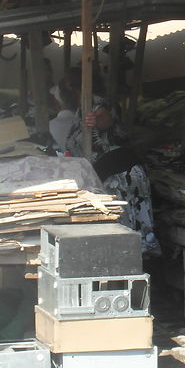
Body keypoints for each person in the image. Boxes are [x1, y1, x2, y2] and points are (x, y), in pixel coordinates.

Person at [58, 67, 160, 256]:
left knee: (129, 232)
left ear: (70, 87)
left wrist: (96, 120)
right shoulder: (81, 109)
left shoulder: (97, 104)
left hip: (121, 176)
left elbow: (105, 118)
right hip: (105, 175)